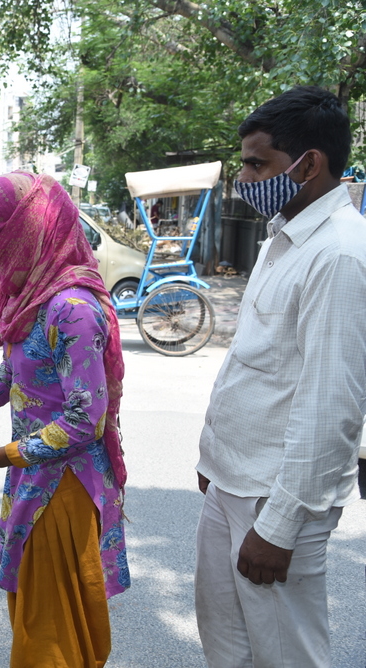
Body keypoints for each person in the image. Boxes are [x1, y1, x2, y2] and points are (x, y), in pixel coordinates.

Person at [194, 86, 366, 668]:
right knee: (229, 649)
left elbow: (332, 406)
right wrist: (212, 461)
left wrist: (281, 526)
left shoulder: (338, 255)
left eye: (255, 163)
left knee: (285, 657)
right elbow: (257, 361)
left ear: (308, 164)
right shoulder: (282, 237)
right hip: (231, 483)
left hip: (274, 498)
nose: (243, 177)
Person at [0, 172, 129, 667]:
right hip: (33, 473)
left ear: (27, 235)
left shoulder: (72, 309)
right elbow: (21, 365)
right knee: (37, 613)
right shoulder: (37, 295)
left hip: (63, 487)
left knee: (50, 631)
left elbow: (83, 421)